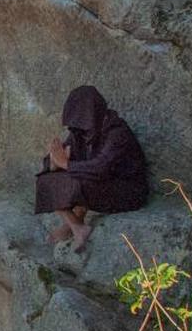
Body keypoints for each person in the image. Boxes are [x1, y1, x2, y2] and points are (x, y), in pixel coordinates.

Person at [35, 85, 148, 252]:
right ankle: (75, 225)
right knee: (45, 181)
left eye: (82, 124)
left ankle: (76, 222)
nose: (78, 130)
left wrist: (65, 164)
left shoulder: (117, 133)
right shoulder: (80, 132)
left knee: (74, 182)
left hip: (127, 191)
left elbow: (100, 168)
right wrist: (52, 163)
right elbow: (60, 156)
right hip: (100, 183)